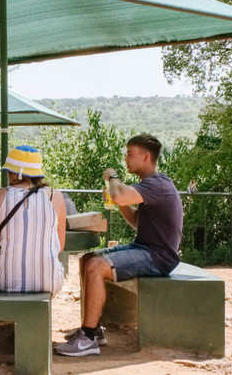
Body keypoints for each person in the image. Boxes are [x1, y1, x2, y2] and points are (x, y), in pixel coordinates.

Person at [55, 134, 183, 357]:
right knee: (88, 259)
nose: (126, 159)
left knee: (96, 266)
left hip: (158, 256)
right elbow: (135, 220)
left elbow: (122, 195)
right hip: (144, 248)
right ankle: (93, 330)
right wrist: (116, 199)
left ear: (145, 157)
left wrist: (113, 178)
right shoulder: (150, 185)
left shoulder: (157, 184)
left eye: (130, 155)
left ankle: (88, 338)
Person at [0, 145, 67, 296]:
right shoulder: (54, 196)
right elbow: (60, 245)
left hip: (6, 282)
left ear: (13, 173)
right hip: (49, 281)